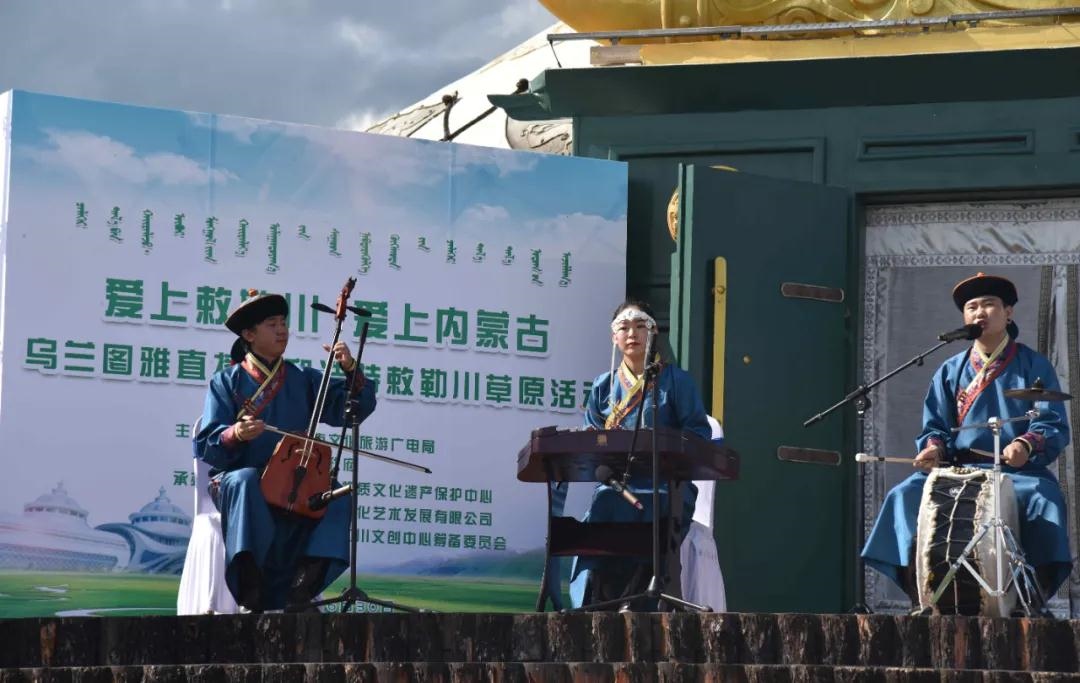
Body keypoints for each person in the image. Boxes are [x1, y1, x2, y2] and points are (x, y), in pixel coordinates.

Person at [862, 273, 1071, 610]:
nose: (979, 312)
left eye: (988, 304)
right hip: (958, 469)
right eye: (972, 307)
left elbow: (1050, 421)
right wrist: (933, 448)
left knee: (1045, 500)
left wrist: (1025, 445)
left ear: (1008, 312)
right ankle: (921, 594)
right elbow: (935, 426)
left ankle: (1031, 599)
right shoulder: (950, 370)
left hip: (1015, 471)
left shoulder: (1034, 365)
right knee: (902, 497)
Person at [195, 290, 376, 612]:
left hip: (293, 479)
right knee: (246, 480)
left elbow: (352, 409)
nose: (282, 330)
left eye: (283, 323)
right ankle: (251, 585)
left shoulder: (302, 378)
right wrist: (235, 433)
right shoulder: (226, 381)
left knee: (336, 495)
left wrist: (350, 369)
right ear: (249, 335)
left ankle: (303, 584)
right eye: (272, 324)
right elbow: (207, 442)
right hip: (238, 480)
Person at [569, 299, 713, 609]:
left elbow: (700, 434)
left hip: (667, 485)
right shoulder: (603, 386)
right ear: (614, 337)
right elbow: (591, 437)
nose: (632, 333)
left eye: (640, 326)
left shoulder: (677, 382)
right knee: (604, 503)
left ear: (653, 332)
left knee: (653, 507)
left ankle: (642, 599)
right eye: (624, 327)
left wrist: (669, 445)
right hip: (617, 485)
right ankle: (601, 600)